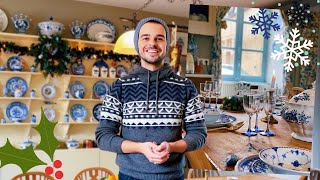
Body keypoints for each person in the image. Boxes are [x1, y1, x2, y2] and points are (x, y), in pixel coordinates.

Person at [96, 17, 207, 180]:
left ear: (167, 45)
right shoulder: (119, 87)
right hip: (129, 176)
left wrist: (171, 147)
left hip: (173, 176)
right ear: (137, 44)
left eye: (159, 38)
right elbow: (103, 136)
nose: (152, 43)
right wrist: (140, 148)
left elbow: (198, 135)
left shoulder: (185, 86)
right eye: (146, 38)